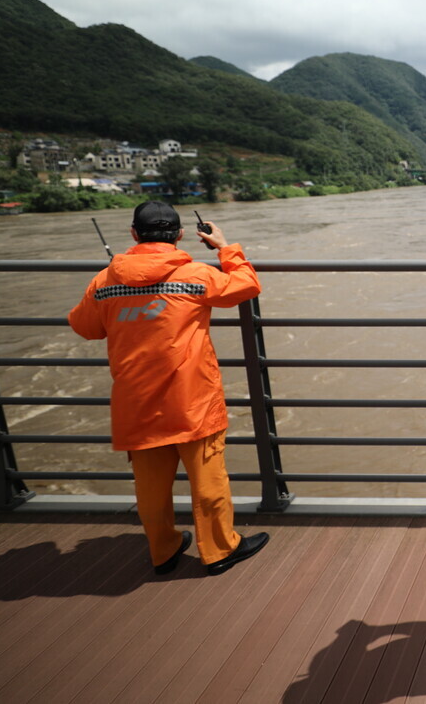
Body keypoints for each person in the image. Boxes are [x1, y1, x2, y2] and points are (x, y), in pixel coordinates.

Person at [69, 201, 269, 576]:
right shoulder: (194, 274)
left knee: (150, 485)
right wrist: (225, 247)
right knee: (208, 477)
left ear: (133, 234)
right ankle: (220, 550)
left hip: (136, 400)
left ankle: (163, 550)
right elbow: (247, 285)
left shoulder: (104, 280)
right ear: (180, 235)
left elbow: (85, 327)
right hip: (190, 397)